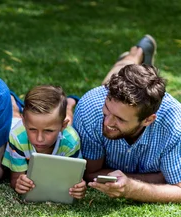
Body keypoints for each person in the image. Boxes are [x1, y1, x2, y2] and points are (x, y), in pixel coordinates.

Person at [73, 35, 181, 203]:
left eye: (120, 119)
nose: (107, 122)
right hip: (104, 94)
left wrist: (133, 188)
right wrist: (159, 178)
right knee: (117, 74)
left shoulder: (174, 122)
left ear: (148, 120)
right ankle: (135, 55)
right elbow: (90, 174)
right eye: (106, 111)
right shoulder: (91, 107)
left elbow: (178, 188)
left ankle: (136, 57)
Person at [3, 85, 86, 199]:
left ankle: (69, 105)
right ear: (25, 123)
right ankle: (13, 104)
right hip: (16, 123)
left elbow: (75, 178)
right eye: (32, 129)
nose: (39, 139)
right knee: (14, 116)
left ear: (63, 126)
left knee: (68, 119)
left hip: (62, 130)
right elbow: (16, 178)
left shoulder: (71, 141)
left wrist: (79, 186)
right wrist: (19, 183)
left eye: (48, 131)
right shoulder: (17, 137)